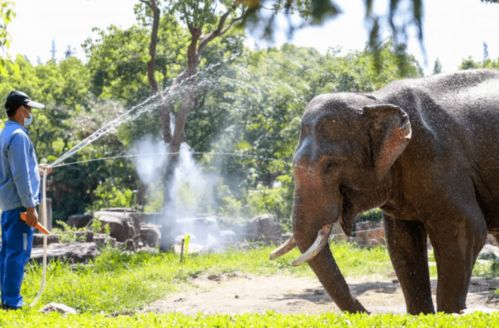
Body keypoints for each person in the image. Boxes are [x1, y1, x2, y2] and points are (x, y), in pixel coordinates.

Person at [0, 90, 48, 310]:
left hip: (8, 205)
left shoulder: (5, 134)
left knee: (8, 252)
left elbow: (15, 169)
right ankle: (11, 301)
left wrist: (37, 170)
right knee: (19, 252)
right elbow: (19, 175)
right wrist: (31, 206)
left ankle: (6, 297)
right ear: (21, 110)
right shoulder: (19, 136)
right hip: (20, 205)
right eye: (29, 109)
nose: (30, 113)